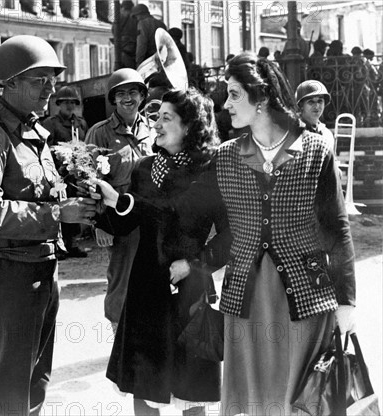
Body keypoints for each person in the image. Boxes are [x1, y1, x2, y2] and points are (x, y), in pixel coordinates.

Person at [95, 52, 356, 416]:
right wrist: (100, 198)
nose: (226, 103)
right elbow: (150, 216)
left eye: (234, 94)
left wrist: (346, 300)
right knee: (222, 396)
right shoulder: (211, 159)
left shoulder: (300, 153)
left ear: (260, 96)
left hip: (266, 294)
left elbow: (335, 228)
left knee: (291, 398)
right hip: (199, 294)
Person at [0, 35, 97, 416]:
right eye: (40, 80)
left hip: (40, 268)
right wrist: (55, 215)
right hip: (8, 274)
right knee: (6, 384)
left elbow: (40, 191)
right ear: (10, 83)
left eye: (52, 79)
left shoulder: (34, 132)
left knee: (35, 378)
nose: (50, 88)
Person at [100, 88, 227, 415]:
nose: (155, 123)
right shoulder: (143, 168)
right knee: (144, 391)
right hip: (145, 291)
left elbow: (233, 234)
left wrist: (196, 265)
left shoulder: (209, 171)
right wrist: (98, 198)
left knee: (191, 393)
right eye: (155, 116)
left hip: (189, 292)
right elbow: (124, 224)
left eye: (166, 118)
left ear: (190, 126)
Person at [85, 68, 154, 331]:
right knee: (120, 280)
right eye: (121, 93)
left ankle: (143, 340)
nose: (128, 98)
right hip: (119, 220)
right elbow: (88, 180)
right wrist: (100, 223)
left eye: (133, 92)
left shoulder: (152, 128)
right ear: (113, 99)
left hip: (150, 218)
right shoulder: (99, 133)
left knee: (149, 279)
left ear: (142, 96)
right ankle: (117, 342)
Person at [42, 85, 89, 259]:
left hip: (77, 173)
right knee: (59, 206)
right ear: (58, 104)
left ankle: (73, 243)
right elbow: (45, 149)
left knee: (75, 205)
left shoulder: (80, 123)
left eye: (72, 102)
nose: (69, 106)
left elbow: (86, 145)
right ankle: (58, 245)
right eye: (65, 102)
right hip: (58, 172)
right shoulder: (50, 123)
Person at [112, 0, 137, 70]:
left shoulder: (121, 18)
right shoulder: (133, 19)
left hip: (126, 50)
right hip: (127, 50)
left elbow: (114, 30)